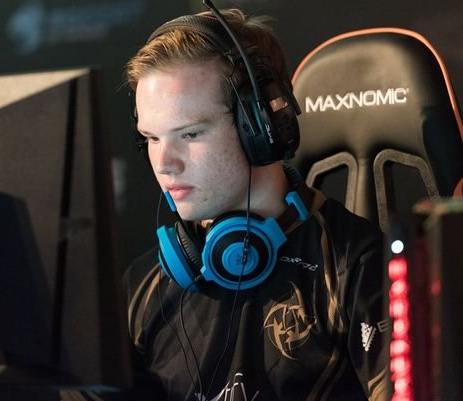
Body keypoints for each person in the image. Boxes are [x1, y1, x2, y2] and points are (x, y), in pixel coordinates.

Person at [122, 4, 391, 401]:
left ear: (262, 126)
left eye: (190, 134)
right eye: (152, 138)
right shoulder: (143, 287)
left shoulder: (359, 268)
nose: (164, 163)